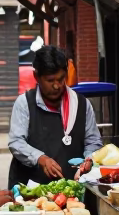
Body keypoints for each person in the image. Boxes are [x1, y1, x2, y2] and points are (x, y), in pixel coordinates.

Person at [8, 44, 103, 188]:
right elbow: (16, 142)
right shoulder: (24, 103)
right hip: (29, 191)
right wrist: (40, 158)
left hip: (72, 190)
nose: (57, 86)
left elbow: (93, 141)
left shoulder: (82, 104)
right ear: (36, 76)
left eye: (60, 79)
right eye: (50, 80)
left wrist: (88, 159)